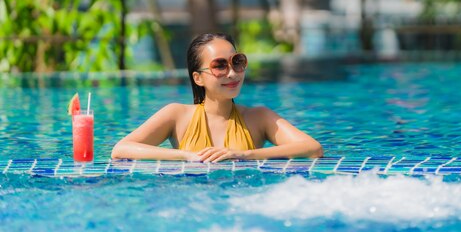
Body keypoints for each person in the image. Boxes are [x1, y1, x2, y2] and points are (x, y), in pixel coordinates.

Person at [111, 33, 323, 162]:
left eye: (237, 62)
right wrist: (186, 156)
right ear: (198, 78)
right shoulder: (177, 115)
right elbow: (121, 150)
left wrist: (245, 155)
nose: (232, 73)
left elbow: (312, 149)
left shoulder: (258, 117)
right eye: (219, 65)